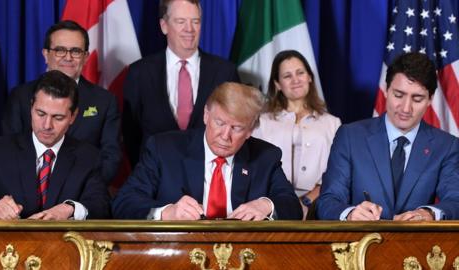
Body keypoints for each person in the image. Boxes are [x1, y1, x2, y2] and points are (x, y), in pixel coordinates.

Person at [113, 82, 302, 220]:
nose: (225, 136)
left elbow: (292, 207)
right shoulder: (163, 149)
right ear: (206, 115)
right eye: (219, 123)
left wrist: (265, 205)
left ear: (250, 131)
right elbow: (124, 203)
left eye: (236, 128)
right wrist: (167, 212)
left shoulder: (265, 156)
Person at [316, 52, 459, 221]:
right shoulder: (350, 137)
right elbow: (328, 200)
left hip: (415, 245)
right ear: (386, 90)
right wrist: (350, 214)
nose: (406, 108)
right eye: (398, 95)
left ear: (430, 99)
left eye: (417, 98)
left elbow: (455, 200)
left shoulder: (446, 146)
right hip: (360, 243)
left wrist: (428, 214)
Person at [0, 70, 110, 220]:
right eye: (40, 114)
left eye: (58, 117)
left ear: (73, 116)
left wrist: (70, 209)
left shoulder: (88, 157)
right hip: (9, 243)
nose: (47, 125)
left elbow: (101, 206)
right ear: (31, 107)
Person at [122, 0, 240, 166]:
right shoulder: (139, 73)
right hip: (154, 177)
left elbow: (236, 127)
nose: (189, 29)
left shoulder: (225, 72)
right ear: (164, 25)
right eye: (181, 21)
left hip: (208, 178)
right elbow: (130, 133)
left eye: (195, 21)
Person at [2, 20, 121, 184]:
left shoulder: (105, 101)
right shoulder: (20, 96)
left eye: (76, 51)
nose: (68, 57)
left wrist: (79, 191)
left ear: (86, 57)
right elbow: (8, 151)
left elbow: (110, 158)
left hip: (82, 196)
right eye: (59, 50)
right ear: (45, 54)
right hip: (28, 196)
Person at [253, 50, 340, 218]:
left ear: (309, 77)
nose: (295, 80)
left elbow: (337, 172)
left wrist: (307, 201)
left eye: (300, 73)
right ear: (277, 84)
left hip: (320, 206)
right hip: (272, 209)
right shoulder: (262, 122)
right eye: (287, 76)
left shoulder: (332, 123)